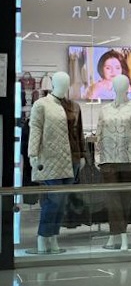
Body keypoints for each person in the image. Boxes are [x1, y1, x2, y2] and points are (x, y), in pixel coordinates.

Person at [28, 71, 87, 254]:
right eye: (61, 82)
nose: (64, 85)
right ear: (53, 83)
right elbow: (35, 128)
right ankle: (42, 236)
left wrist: (82, 155)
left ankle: (53, 237)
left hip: (72, 159)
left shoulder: (74, 106)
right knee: (53, 200)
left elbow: (79, 132)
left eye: (67, 82)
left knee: (62, 202)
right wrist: (32, 153)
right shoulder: (41, 105)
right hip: (51, 159)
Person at [95, 74, 131, 250]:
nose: (120, 87)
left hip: (128, 159)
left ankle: (117, 235)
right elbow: (99, 134)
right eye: (117, 84)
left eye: (123, 84)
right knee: (112, 200)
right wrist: (97, 156)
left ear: (127, 87)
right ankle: (118, 235)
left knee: (125, 199)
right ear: (113, 86)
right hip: (108, 160)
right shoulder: (104, 110)